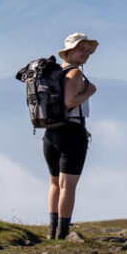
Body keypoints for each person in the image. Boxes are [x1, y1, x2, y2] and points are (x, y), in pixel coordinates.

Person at [43, 32, 98, 239]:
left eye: (87, 50)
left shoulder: (56, 72)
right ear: (69, 51)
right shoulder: (74, 73)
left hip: (51, 134)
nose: (86, 53)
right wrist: (90, 91)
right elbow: (69, 102)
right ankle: (63, 232)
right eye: (81, 49)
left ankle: (52, 230)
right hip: (71, 134)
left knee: (55, 183)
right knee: (68, 185)